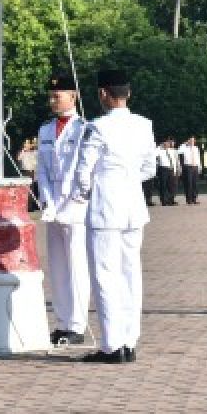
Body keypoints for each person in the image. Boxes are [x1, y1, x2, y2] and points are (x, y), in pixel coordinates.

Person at [74, 68, 157, 364]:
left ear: (103, 94)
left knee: (105, 276)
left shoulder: (98, 127)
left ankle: (112, 345)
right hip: (134, 206)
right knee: (130, 275)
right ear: (128, 93)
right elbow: (150, 169)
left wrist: (82, 194)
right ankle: (130, 341)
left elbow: (84, 172)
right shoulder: (144, 125)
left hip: (105, 207)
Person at [36, 71, 92, 346]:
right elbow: (42, 171)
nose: (53, 101)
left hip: (77, 205)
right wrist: (46, 200)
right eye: (51, 96)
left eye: (57, 96)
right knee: (57, 265)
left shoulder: (85, 129)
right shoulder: (45, 130)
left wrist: (74, 201)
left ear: (74, 97)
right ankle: (62, 322)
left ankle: (77, 324)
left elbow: (86, 170)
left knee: (76, 265)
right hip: (53, 204)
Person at [155, 138, 180, 205]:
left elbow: (174, 161)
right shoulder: (159, 150)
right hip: (163, 169)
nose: (168, 144)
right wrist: (160, 146)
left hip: (171, 169)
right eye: (166, 143)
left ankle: (170, 200)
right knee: (163, 185)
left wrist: (174, 170)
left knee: (171, 185)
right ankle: (164, 200)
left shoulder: (171, 151)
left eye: (169, 143)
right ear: (163, 144)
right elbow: (154, 154)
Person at [17, 137, 40, 212]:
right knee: (24, 189)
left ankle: (31, 206)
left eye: (28, 143)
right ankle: (25, 205)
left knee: (31, 189)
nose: (26, 145)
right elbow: (19, 158)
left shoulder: (33, 152)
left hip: (31, 172)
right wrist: (24, 150)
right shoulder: (22, 152)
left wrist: (34, 145)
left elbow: (36, 160)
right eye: (25, 143)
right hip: (24, 171)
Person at [179, 136, 202, 205]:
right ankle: (189, 199)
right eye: (190, 140)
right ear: (188, 141)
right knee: (188, 183)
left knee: (195, 183)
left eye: (193, 141)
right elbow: (179, 151)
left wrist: (199, 167)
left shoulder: (196, 148)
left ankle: (194, 198)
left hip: (195, 166)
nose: (192, 142)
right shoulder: (184, 148)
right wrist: (183, 144)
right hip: (188, 166)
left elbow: (198, 157)